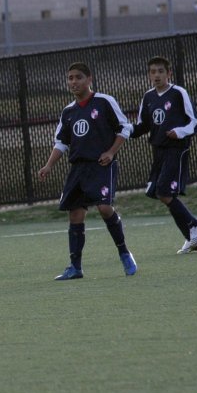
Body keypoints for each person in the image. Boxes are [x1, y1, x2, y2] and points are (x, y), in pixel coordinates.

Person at [38, 62, 137, 280]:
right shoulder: (68, 111)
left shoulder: (104, 102)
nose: (74, 82)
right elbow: (61, 142)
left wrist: (111, 152)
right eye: (70, 78)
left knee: (104, 207)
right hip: (78, 169)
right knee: (75, 215)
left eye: (78, 77)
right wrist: (48, 165)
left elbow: (125, 128)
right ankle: (75, 267)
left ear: (89, 79)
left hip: (101, 165)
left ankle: (124, 252)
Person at [132, 56, 197, 254]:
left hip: (176, 149)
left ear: (169, 74)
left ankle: (193, 225)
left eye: (160, 71)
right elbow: (142, 126)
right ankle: (193, 234)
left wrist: (179, 132)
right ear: (149, 75)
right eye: (153, 72)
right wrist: (122, 131)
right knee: (159, 192)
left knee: (164, 192)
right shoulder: (148, 97)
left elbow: (195, 122)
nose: (156, 75)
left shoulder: (178, 93)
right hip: (158, 151)